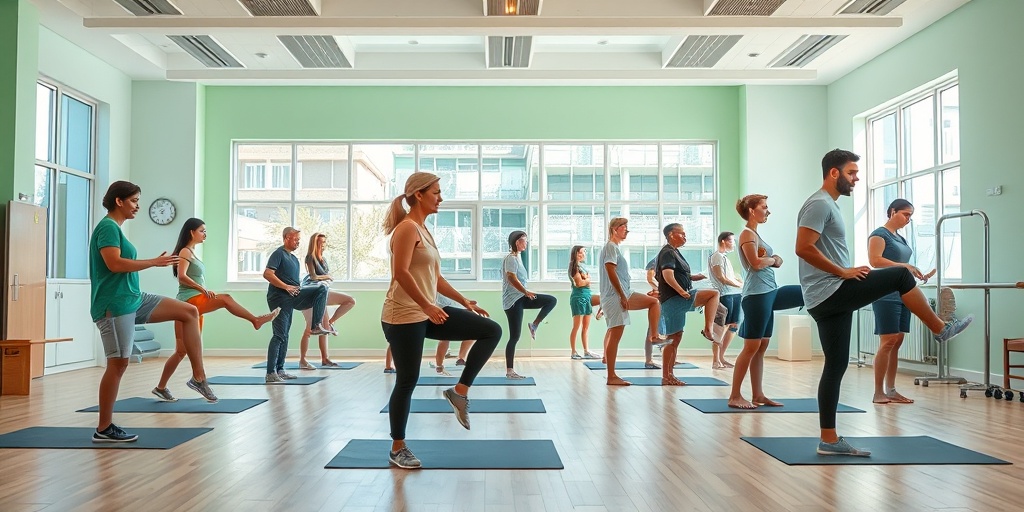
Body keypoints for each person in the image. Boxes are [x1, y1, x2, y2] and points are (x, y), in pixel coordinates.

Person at [795, 148, 974, 457]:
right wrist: (843, 272)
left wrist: (843, 273)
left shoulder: (829, 205)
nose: (856, 178)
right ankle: (940, 328)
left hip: (826, 296)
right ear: (834, 173)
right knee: (900, 275)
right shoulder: (819, 204)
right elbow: (803, 248)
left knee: (836, 366)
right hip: (830, 290)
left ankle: (829, 439)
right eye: (851, 172)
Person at [381, 172, 502, 469]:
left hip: (426, 310)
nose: (440, 198)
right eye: (436, 192)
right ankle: (397, 448)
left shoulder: (424, 230)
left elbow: (435, 278)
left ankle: (459, 392)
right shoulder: (406, 228)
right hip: (403, 315)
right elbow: (400, 273)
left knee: (491, 330)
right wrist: (427, 305)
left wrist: (464, 301)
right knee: (407, 380)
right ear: (419, 195)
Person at [89, 181, 205, 442]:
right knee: (118, 364)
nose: (137, 206)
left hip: (133, 298)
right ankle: (104, 428)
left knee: (189, 312)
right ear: (119, 201)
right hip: (114, 305)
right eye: (134, 201)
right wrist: (153, 262)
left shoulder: (116, 228)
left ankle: (199, 377)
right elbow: (114, 264)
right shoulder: (107, 227)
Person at [152, 218, 279, 401]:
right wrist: (202, 289)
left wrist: (202, 289)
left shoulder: (191, 252)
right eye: (202, 230)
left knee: (181, 351)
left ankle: (161, 387)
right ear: (191, 232)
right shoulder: (185, 251)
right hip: (188, 302)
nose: (205, 234)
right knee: (225, 299)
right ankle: (255, 320)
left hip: (190, 306)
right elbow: (181, 277)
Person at [727, 195, 804, 409]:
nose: (768, 211)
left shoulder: (755, 234)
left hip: (769, 292)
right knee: (751, 346)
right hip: (756, 295)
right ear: (752, 210)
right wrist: (774, 260)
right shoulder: (746, 234)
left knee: (762, 345)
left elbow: (762, 261)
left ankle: (758, 395)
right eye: (764, 207)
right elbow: (755, 263)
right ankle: (734, 396)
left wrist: (772, 260)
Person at [868, 199, 935, 404]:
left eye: (910, 216)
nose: (908, 219)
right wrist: (905, 266)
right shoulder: (879, 234)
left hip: (903, 294)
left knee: (897, 342)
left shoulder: (901, 239)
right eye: (905, 214)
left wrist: (915, 272)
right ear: (892, 212)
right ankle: (878, 392)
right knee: (888, 341)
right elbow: (875, 260)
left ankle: (891, 390)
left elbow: (900, 265)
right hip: (885, 294)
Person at [655, 223, 722, 386]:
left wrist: (692, 278)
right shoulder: (668, 252)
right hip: (674, 299)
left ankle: (669, 376)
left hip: (676, 298)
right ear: (671, 235)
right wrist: (681, 291)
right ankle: (708, 329)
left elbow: (677, 274)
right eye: (682, 234)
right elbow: (667, 275)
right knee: (713, 294)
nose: (685, 237)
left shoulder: (674, 252)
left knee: (675, 338)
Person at [263, 227, 331, 383]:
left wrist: (297, 289)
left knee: (322, 288)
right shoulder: (278, 253)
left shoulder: (293, 258)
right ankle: (271, 372)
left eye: (299, 240)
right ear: (287, 238)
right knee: (280, 335)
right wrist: (285, 286)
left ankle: (281, 369)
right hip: (279, 298)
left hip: (292, 296)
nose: (298, 242)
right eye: (295, 239)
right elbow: (267, 274)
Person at [599, 218, 661, 386]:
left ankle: (654, 336)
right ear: (614, 229)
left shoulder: (614, 248)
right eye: (624, 227)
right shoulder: (610, 247)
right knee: (615, 334)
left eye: (627, 227)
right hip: (616, 296)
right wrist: (621, 295)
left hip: (623, 293)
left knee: (653, 303)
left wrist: (623, 294)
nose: (627, 230)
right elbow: (610, 271)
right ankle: (611, 376)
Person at [502, 231, 557, 379]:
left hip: (521, 298)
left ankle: (534, 325)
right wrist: (525, 292)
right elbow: (511, 278)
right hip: (513, 302)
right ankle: (510, 371)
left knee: (551, 300)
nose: (526, 243)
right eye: (524, 241)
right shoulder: (511, 258)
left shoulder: (518, 257)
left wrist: (525, 292)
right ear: (517, 242)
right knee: (514, 336)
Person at [297, 232, 357, 370]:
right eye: (320, 242)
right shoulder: (310, 257)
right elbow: (313, 277)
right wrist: (327, 276)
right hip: (310, 292)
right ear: (314, 243)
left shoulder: (323, 259)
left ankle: (325, 357)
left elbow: (323, 278)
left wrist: (326, 277)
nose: (323, 245)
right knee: (309, 327)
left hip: (323, 291)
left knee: (349, 301)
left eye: (324, 242)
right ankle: (302, 360)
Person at [708, 232, 744, 369]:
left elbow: (728, 277)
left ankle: (722, 358)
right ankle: (715, 360)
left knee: (733, 325)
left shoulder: (724, 258)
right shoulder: (716, 256)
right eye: (731, 241)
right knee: (721, 327)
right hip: (725, 295)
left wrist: (738, 282)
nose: (734, 244)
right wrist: (738, 284)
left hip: (735, 294)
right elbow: (721, 278)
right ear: (723, 241)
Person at [568, 245, 602, 360]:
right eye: (582, 252)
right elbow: (579, 283)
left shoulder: (582, 267)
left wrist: (586, 279)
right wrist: (587, 280)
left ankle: (587, 351)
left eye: (584, 252)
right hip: (578, 298)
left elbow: (585, 282)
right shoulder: (574, 267)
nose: (584, 254)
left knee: (586, 327)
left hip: (587, 296)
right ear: (576, 254)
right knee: (576, 326)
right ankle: (573, 352)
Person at [433, 293, 476, 376]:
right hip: (444, 309)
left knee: (472, 332)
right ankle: (440, 365)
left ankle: (460, 359)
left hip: (454, 308)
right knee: (444, 338)